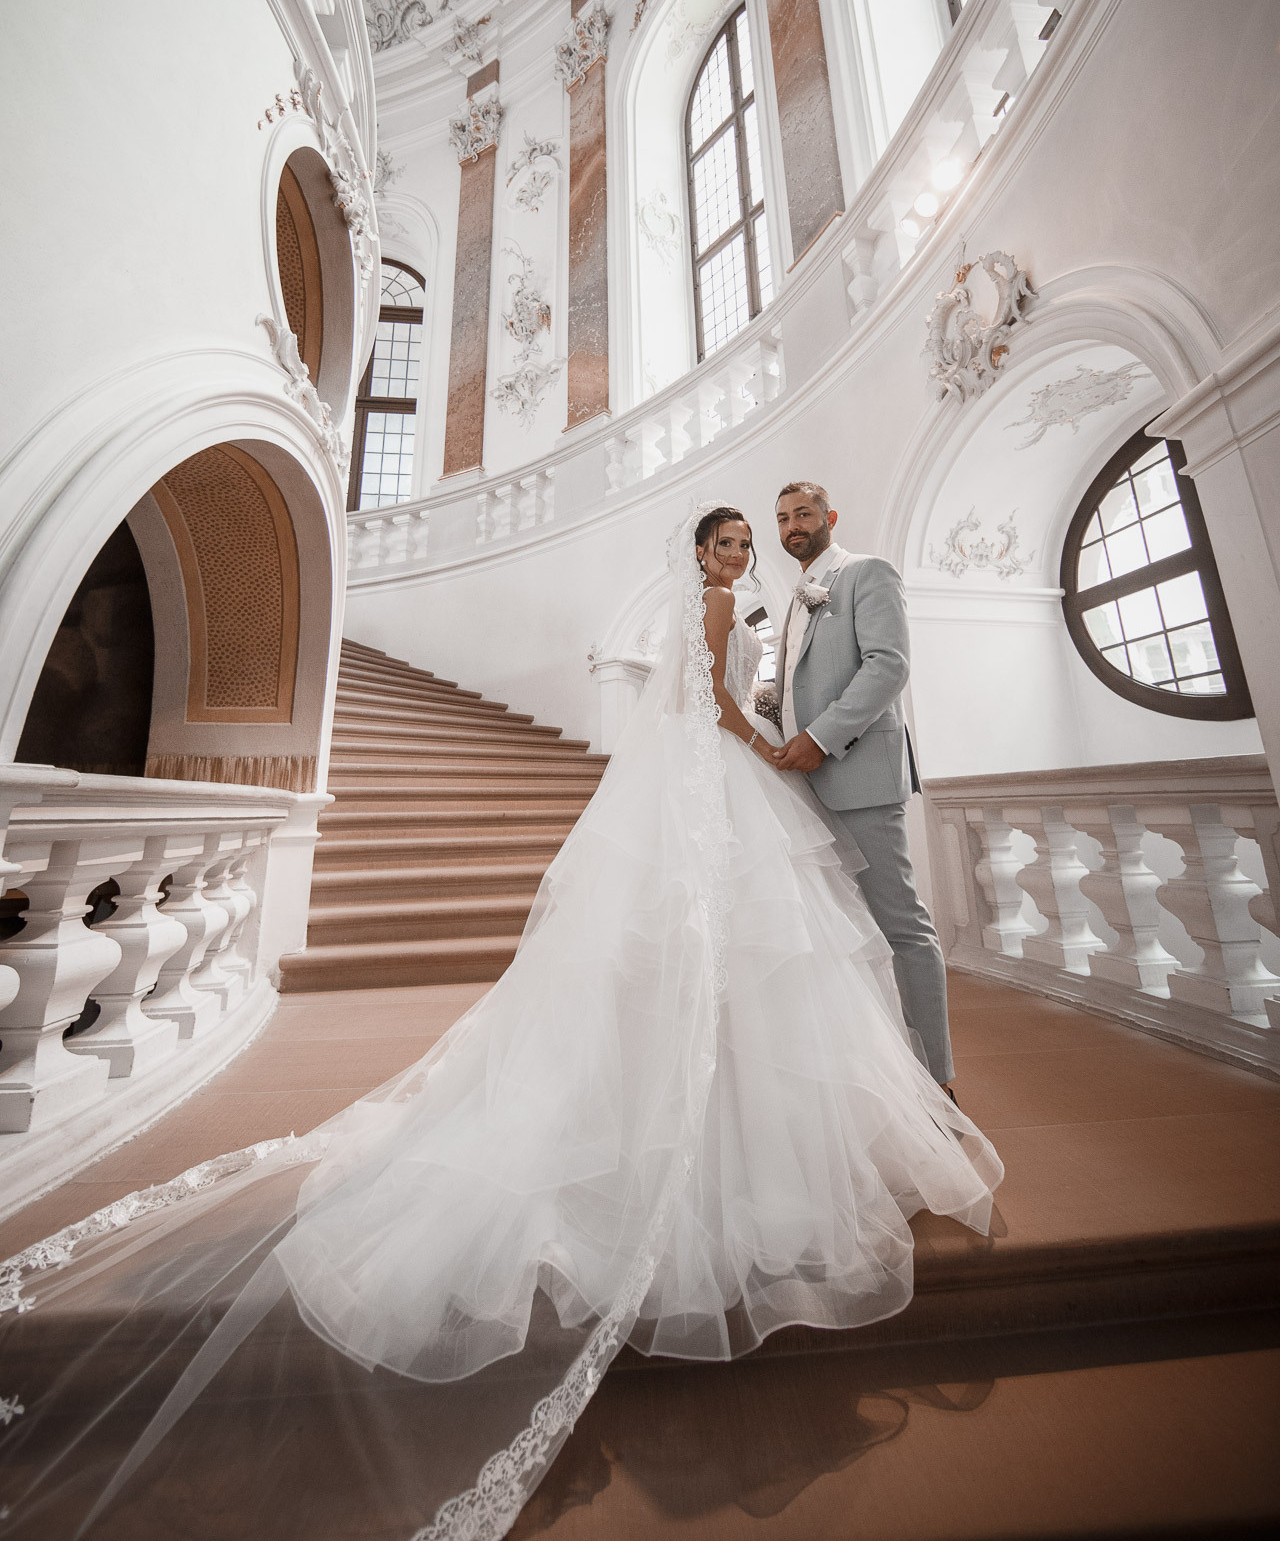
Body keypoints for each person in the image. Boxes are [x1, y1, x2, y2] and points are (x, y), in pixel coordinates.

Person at [0, 501, 1000, 1540]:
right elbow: (709, 709)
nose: (740, 554)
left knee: (719, 959)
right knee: (738, 954)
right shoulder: (711, 606)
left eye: (750, 541)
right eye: (728, 542)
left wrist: (771, 737)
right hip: (724, 777)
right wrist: (770, 747)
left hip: (710, 787)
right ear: (698, 553)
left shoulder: (742, 600)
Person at [772, 481, 955, 1090]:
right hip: (801, 786)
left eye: (803, 513)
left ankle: (937, 1079)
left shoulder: (865, 573)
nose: (792, 525)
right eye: (782, 518)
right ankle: (874, 1076)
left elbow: (888, 665)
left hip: (859, 778)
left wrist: (819, 737)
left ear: (830, 517)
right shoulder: (795, 597)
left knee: (900, 924)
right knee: (837, 930)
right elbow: (803, 683)